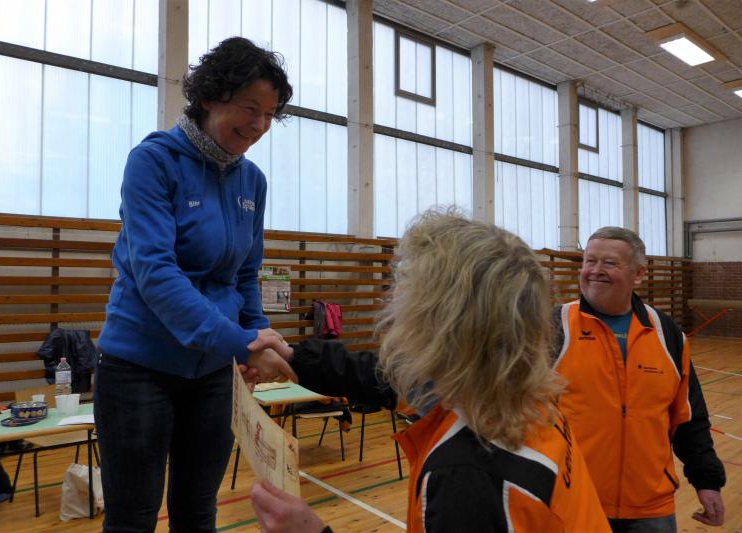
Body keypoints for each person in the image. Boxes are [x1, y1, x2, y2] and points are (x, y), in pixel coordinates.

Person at [247, 211, 611, 532]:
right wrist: (293, 357)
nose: (395, 301)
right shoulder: (520, 396)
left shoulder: (465, 477)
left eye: (410, 291)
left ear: (442, 320)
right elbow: (384, 379)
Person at [94, 37, 297, 532]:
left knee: (197, 513)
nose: (259, 125)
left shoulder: (253, 182)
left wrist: (258, 334)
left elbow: (245, 275)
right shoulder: (153, 162)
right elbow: (156, 274)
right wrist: (243, 344)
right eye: (249, 108)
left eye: (269, 115)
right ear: (209, 96)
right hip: (139, 367)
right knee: (132, 519)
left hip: (213, 374)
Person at [551, 227, 726, 532]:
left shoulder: (667, 333)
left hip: (650, 507)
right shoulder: (553, 327)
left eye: (609, 263)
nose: (596, 270)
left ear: (639, 274)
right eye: (590, 261)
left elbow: (689, 417)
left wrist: (707, 480)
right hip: (571, 501)